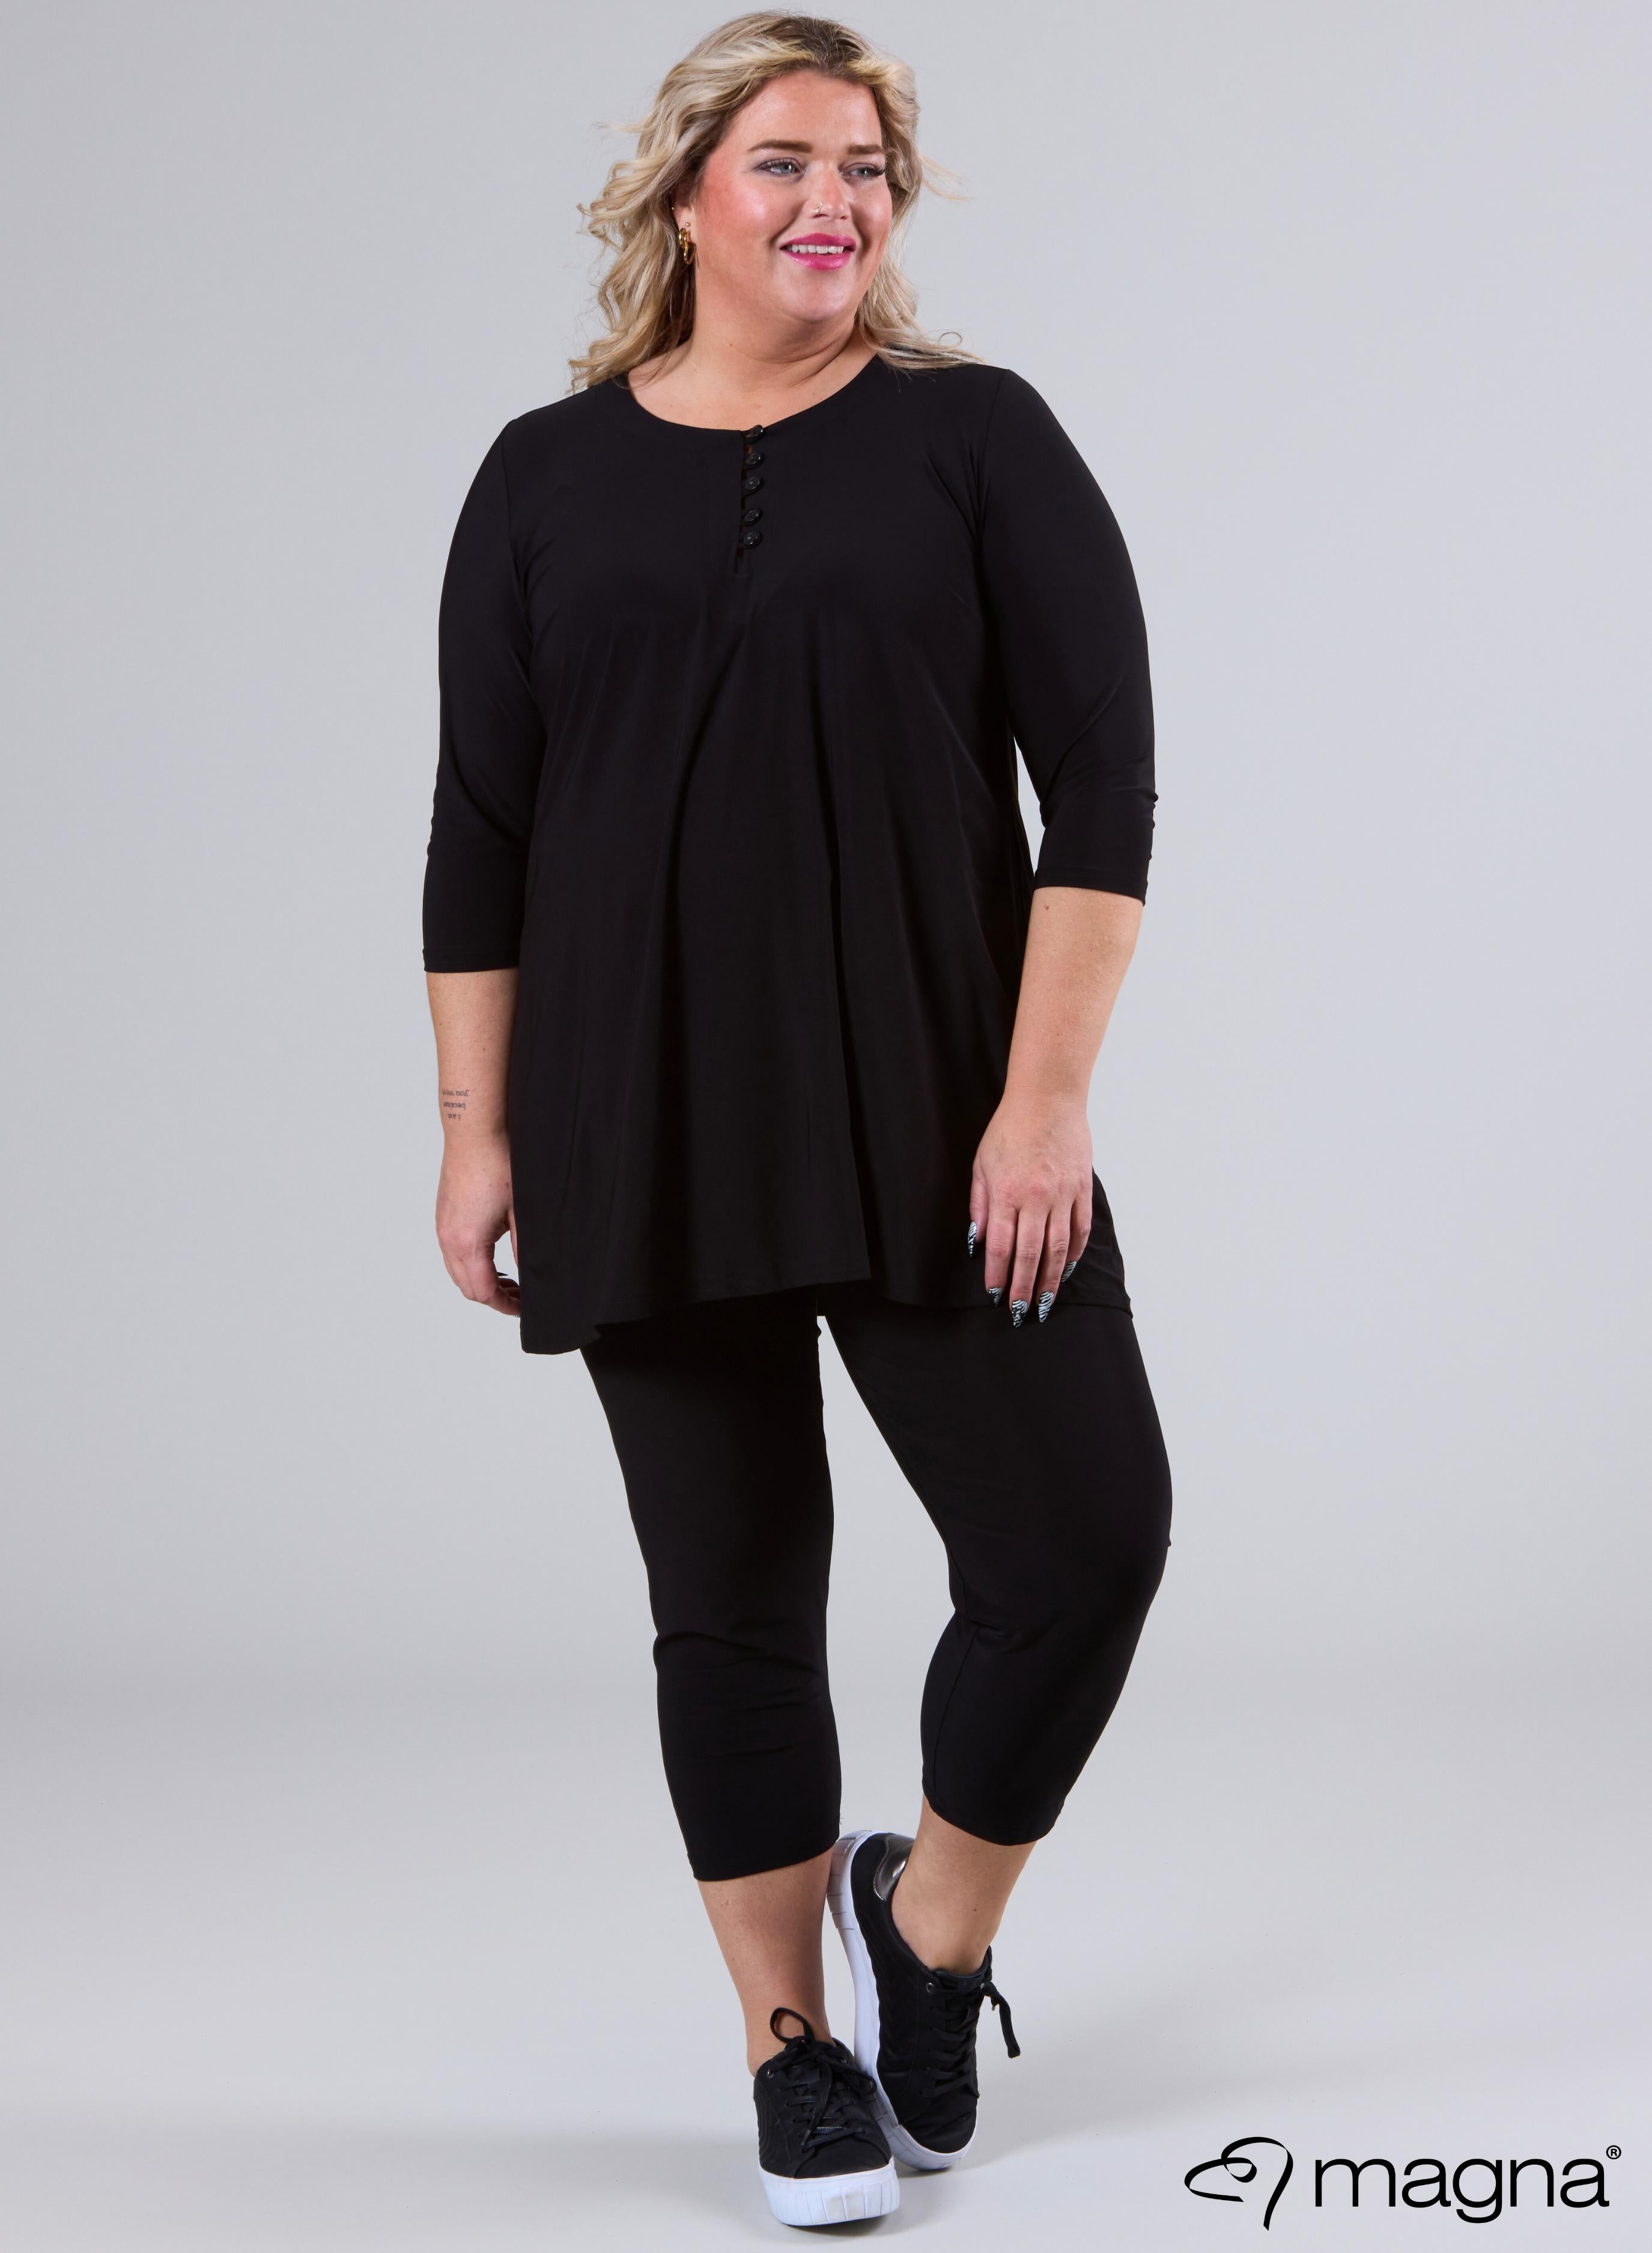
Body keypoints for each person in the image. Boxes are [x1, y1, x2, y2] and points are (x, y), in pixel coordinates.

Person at [422, 11, 1171, 2230]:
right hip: (635, 1106)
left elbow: (1105, 785)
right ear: (687, 194)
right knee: (731, 1600)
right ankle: (789, 2045)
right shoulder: (539, 477)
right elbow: (480, 831)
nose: (832, 201)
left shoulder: (975, 437)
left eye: (863, 167)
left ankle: (927, 1934)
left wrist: (1044, 1107)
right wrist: (476, 1130)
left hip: (939, 1104)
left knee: (1083, 1542)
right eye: (784, 161)